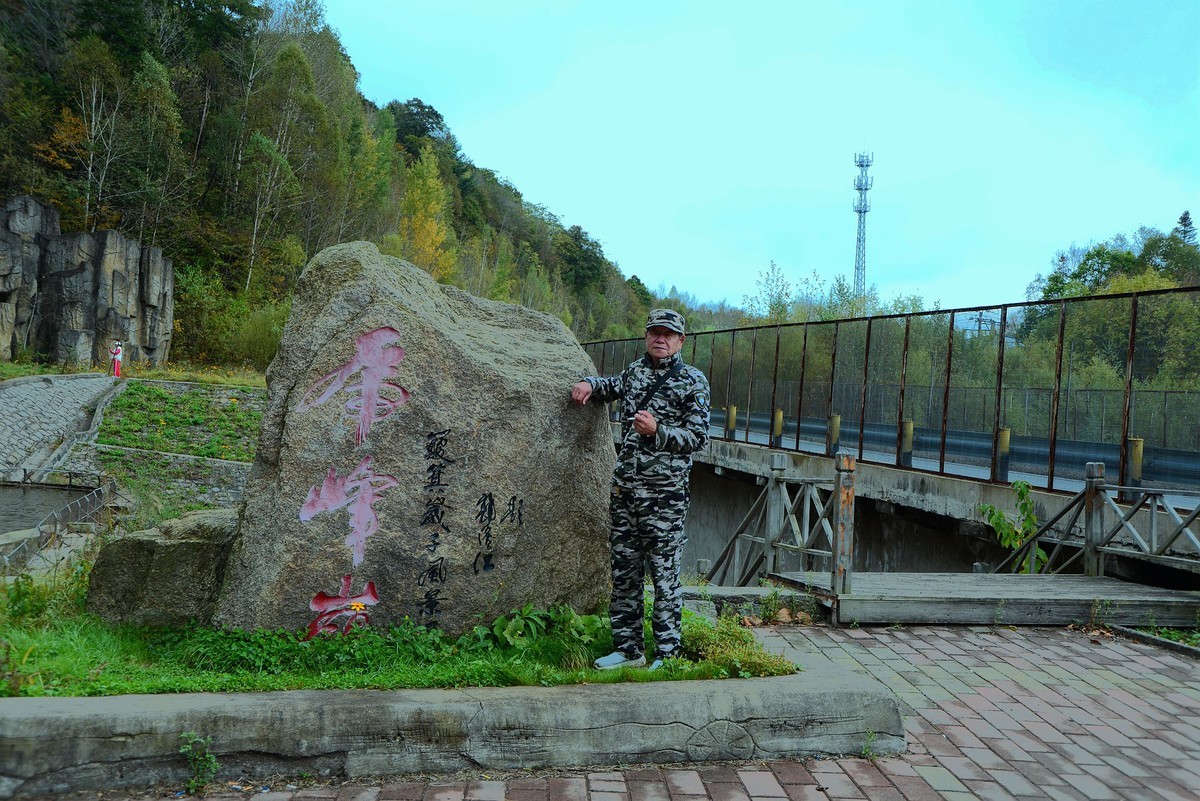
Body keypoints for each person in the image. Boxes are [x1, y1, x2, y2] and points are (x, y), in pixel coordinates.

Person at [570, 308, 711, 670]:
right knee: (625, 572)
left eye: (668, 334)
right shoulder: (635, 371)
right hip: (626, 492)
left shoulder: (693, 380)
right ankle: (628, 649)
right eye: (654, 332)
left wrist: (658, 431)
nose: (660, 339)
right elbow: (613, 385)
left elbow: (698, 438)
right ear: (647, 336)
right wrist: (589, 383)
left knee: (664, 576)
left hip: (664, 496)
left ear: (681, 340)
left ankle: (668, 652)